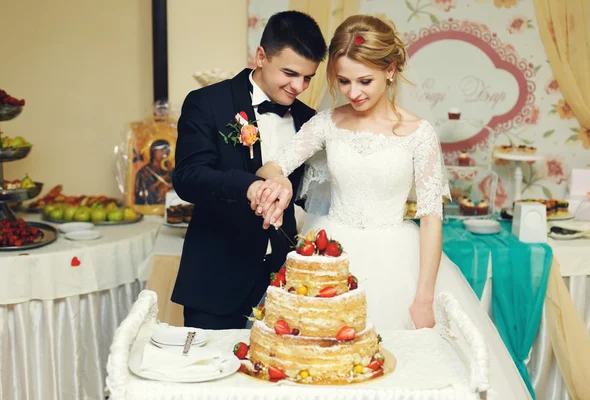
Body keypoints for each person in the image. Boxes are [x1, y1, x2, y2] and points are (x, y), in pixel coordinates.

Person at [253, 15, 531, 399]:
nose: (354, 92)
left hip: (398, 258)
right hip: (333, 256)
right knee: (320, 367)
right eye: (344, 81)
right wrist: (277, 179)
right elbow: (275, 164)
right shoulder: (327, 123)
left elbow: (432, 219)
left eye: (364, 81)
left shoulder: (419, 133)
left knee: (404, 375)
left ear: (391, 69)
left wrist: (423, 298)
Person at [171, 11, 327, 329]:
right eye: (290, 73)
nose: (299, 86)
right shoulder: (207, 103)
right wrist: (248, 185)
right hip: (216, 279)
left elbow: (308, 196)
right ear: (260, 56)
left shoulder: (310, 120)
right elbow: (188, 177)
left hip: (284, 283)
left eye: (308, 77)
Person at [134, 139, 173, 205]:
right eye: (161, 150)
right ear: (153, 151)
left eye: (165, 152)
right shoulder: (144, 171)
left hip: (166, 206)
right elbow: (140, 193)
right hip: (148, 207)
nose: (163, 154)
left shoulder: (166, 171)